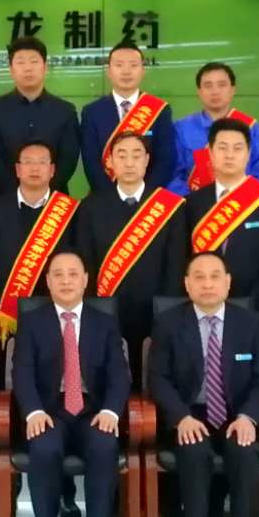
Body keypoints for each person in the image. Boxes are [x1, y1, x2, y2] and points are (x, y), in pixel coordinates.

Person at [149, 251, 259, 517]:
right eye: (199, 277)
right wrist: (181, 417)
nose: (207, 284)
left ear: (228, 283)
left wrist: (249, 417)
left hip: (238, 414)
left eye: (215, 276)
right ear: (187, 284)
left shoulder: (252, 323)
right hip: (191, 413)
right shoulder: (168, 323)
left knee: (244, 452)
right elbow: (158, 379)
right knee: (193, 451)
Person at [16, 250, 127, 517]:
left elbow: (119, 374)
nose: (66, 281)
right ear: (48, 281)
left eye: (73, 274)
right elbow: (22, 372)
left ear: (85, 280)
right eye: (58, 274)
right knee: (43, 447)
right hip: (50, 411)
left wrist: (111, 412)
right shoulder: (32, 322)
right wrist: (33, 412)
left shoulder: (104, 322)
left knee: (104, 445)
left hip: (93, 410)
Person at [72, 131, 188, 370]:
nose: (129, 163)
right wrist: (93, 308)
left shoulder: (170, 207)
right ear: (110, 161)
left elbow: (175, 266)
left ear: (147, 160)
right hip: (106, 309)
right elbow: (85, 263)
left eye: (136, 155)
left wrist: (167, 310)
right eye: (121, 155)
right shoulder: (90, 207)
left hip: (156, 311)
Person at [182, 118, 259, 323]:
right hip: (202, 306)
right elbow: (185, 256)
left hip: (253, 309)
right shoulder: (192, 203)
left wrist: (250, 302)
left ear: (248, 154)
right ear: (210, 153)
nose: (229, 155)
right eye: (222, 148)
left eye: (237, 148)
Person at [0, 140, 80, 331]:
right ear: (18, 170)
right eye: (28, 162)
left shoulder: (71, 211)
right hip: (3, 312)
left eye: (42, 162)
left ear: (52, 170)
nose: (35, 168)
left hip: (55, 311)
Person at [0, 36, 80, 196]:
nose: (28, 68)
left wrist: (42, 193)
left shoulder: (65, 111)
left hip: (53, 201)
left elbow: (68, 161)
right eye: (20, 62)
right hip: (5, 199)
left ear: (45, 67)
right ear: (11, 69)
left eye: (34, 61)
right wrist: (21, 194)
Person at [79, 41, 176, 194]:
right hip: (105, 198)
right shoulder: (92, 112)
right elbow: (91, 162)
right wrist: (112, 197)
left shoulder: (159, 110)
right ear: (108, 71)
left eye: (133, 65)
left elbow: (166, 160)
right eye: (119, 65)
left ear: (143, 71)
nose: (126, 71)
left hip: (147, 198)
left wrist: (143, 194)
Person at [169, 62, 259, 195]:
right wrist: (193, 202)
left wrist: (236, 201)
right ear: (199, 92)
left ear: (233, 90)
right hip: (194, 204)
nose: (215, 91)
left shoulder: (253, 129)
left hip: (241, 203)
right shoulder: (182, 128)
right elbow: (174, 175)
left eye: (222, 85)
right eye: (208, 86)